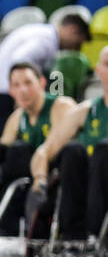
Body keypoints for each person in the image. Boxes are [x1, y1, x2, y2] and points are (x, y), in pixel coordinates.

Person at [0, 62, 76, 234]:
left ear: (42, 83)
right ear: (10, 90)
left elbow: (57, 150)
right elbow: (1, 150)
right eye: (16, 85)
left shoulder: (61, 107)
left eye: (28, 83)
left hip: (56, 173)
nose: (22, 90)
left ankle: (3, 228)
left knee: (17, 152)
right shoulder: (16, 118)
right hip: (25, 177)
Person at [28, 46, 108, 241]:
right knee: (72, 150)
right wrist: (40, 179)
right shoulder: (85, 111)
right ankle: (71, 234)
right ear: (98, 71)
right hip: (88, 185)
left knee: (104, 149)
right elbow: (44, 151)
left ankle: (95, 232)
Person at [0, 14, 90, 147]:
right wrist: (21, 95)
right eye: (78, 42)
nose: (75, 48)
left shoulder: (42, 32)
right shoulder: (46, 40)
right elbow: (19, 61)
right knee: (4, 148)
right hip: (1, 95)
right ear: (71, 30)